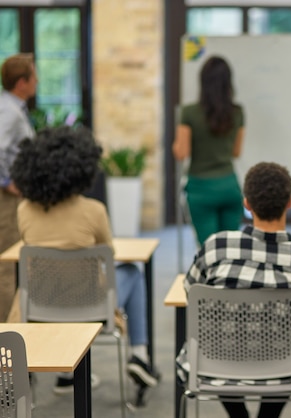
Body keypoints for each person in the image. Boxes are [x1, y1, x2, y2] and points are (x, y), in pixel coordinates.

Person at [10, 126, 161, 396]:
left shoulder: (25, 210)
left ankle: (67, 373)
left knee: (53, 281)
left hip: (39, 308)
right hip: (91, 308)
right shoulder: (94, 211)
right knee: (132, 272)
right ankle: (139, 354)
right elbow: (108, 253)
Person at [177, 162, 291, 418]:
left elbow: (191, 292)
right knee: (288, 341)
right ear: (288, 203)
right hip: (285, 367)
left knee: (221, 339)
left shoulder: (217, 247)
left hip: (217, 362)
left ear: (246, 203)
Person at [172, 55, 245, 246]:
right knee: (231, 249)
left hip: (200, 190)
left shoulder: (189, 113)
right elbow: (236, 152)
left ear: (203, 82)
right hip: (229, 186)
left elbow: (182, 153)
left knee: (210, 251)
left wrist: (175, 143)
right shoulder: (237, 112)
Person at [0, 53, 37, 322]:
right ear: (21, 82)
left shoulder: (14, 109)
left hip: (12, 197)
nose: (38, 81)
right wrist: (6, 183)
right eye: (34, 77)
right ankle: (6, 339)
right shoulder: (9, 111)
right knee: (7, 265)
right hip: (5, 199)